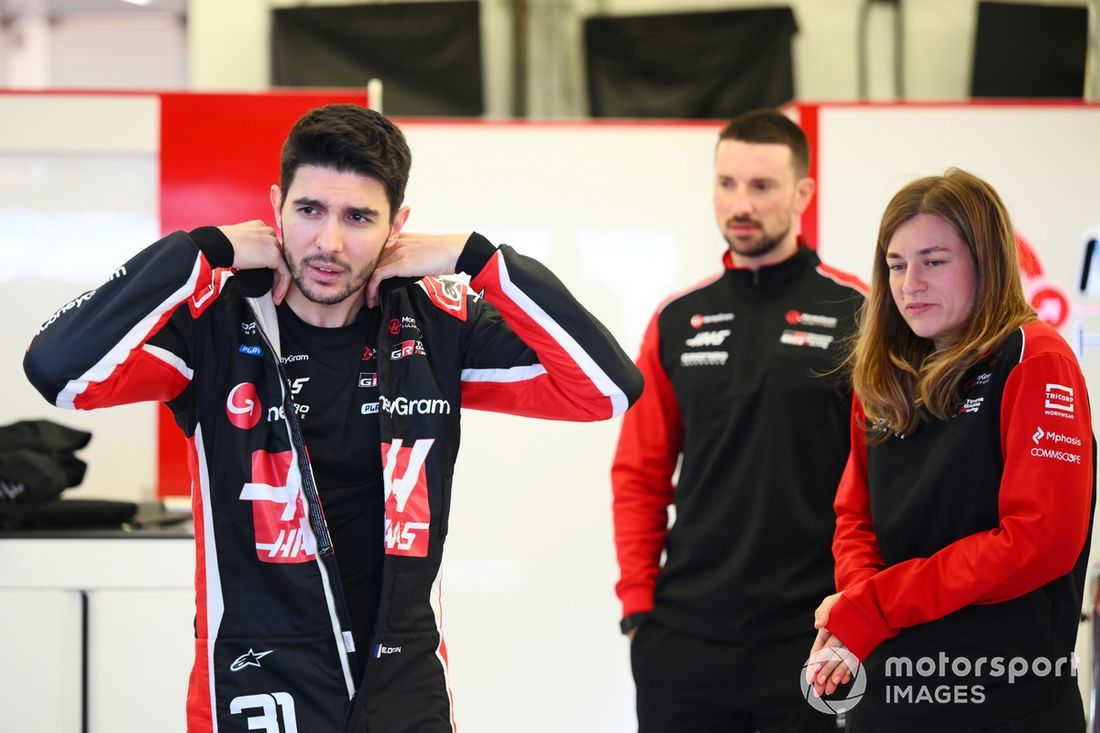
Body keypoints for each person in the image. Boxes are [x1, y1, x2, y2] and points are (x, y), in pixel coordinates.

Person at [23, 104, 643, 733]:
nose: (329, 243)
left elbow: (608, 390)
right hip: (259, 675)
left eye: (359, 218)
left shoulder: (435, 323)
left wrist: (480, 257)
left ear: (398, 225)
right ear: (276, 206)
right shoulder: (213, 321)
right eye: (310, 210)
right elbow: (60, 371)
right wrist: (201, 249)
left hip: (402, 676)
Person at [808, 168, 1094, 731]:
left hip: (1008, 700)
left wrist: (877, 605)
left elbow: (1038, 540)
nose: (909, 282)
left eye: (933, 261)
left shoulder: (1035, 358)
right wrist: (860, 606)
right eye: (895, 265)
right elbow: (855, 517)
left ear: (985, 262)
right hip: (890, 696)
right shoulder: (881, 374)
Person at [611, 109, 865, 732]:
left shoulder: (859, 309)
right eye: (726, 184)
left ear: (803, 193)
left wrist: (861, 611)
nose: (739, 204)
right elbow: (639, 474)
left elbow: (884, 481)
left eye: (761, 186)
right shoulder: (676, 318)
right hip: (683, 637)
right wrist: (640, 608)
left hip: (810, 638)